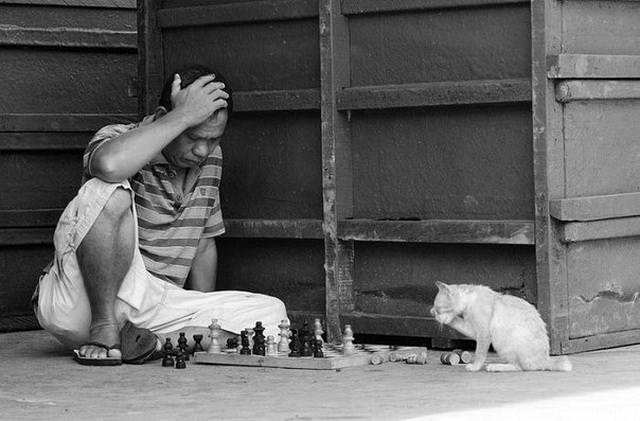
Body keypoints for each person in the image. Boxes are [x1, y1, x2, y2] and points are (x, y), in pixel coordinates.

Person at [33, 65, 288, 365]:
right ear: (163, 115)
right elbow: (109, 167)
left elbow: (203, 244)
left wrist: (205, 313)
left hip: (155, 307)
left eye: (214, 139)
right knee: (107, 191)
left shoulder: (210, 161)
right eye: (192, 135)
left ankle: (154, 343)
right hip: (84, 300)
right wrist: (182, 116)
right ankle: (104, 329)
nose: (202, 150)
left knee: (272, 313)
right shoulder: (118, 138)